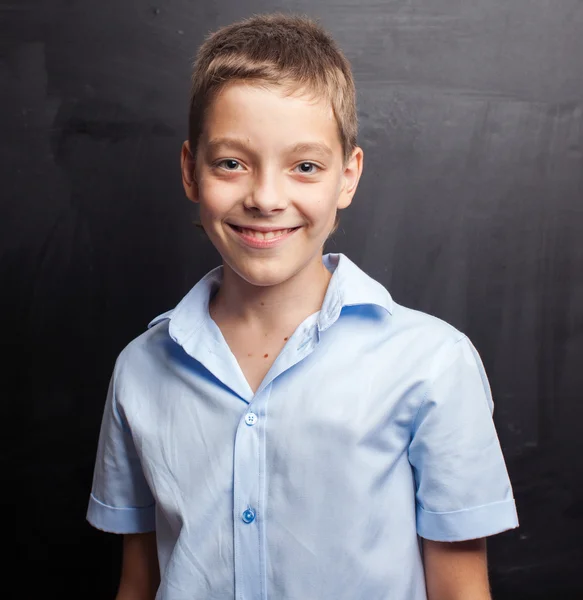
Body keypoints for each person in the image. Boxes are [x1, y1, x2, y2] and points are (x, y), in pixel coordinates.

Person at [87, 13, 519, 600]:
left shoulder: (433, 364)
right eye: (231, 162)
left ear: (348, 176)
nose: (266, 198)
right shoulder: (139, 370)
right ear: (191, 171)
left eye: (305, 167)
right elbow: (138, 581)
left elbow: (461, 589)